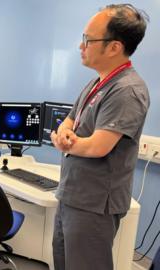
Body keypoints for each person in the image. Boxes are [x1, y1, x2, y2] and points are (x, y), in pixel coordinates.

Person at [50, 4, 150, 270]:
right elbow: (69, 120)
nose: (81, 46)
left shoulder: (127, 90)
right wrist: (64, 135)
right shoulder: (98, 83)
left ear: (114, 47)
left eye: (88, 40)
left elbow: (98, 147)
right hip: (73, 195)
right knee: (63, 261)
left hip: (94, 203)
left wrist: (65, 141)